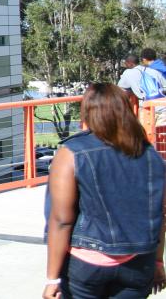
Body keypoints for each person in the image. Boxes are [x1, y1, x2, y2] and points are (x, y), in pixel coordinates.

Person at [44, 83, 166, 299]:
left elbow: (61, 220)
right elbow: (159, 215)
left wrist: (52, 278)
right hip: (140, 261)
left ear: (88, 112)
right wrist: (157, 260)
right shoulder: (152, 156)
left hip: (87, 264)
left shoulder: (71, 153)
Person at [117, 49, 166, 129]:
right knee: (161, 137)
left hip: (147, 110)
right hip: (163, 108)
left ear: (129, 63)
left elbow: (120, 91)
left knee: (146, 136)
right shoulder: (154, 71)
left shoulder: (128, 73)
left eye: (125, 64)